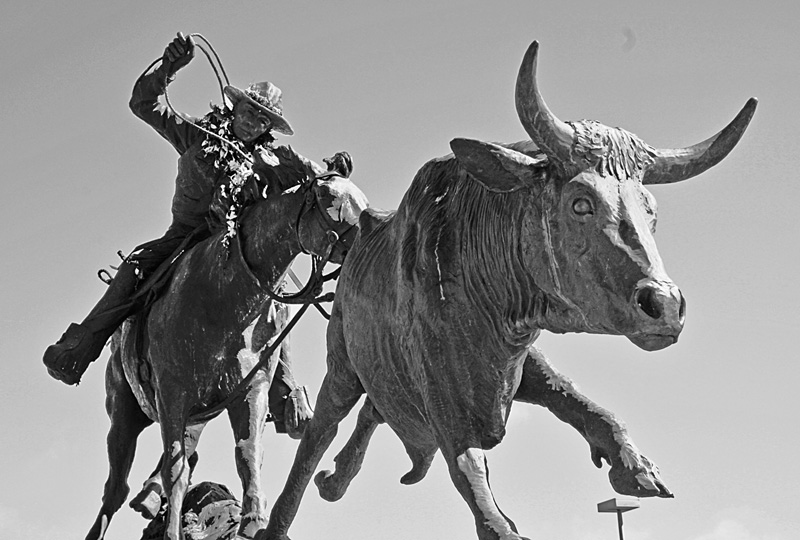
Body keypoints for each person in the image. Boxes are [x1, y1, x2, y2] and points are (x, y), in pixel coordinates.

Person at [43, 33, 314, 435]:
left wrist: (331, 169)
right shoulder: (196, 135)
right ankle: (81, 347)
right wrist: (168, 66)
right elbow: (143, 105)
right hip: (183, 238)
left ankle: (285, 393)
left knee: (275, 299)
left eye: (263, 119)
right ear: (234, 106)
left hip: (233, 247)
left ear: (266, 128)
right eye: (249, 111)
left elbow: (311, 182)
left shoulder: (270, 162)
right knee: (135, 268)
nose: (253, 122)